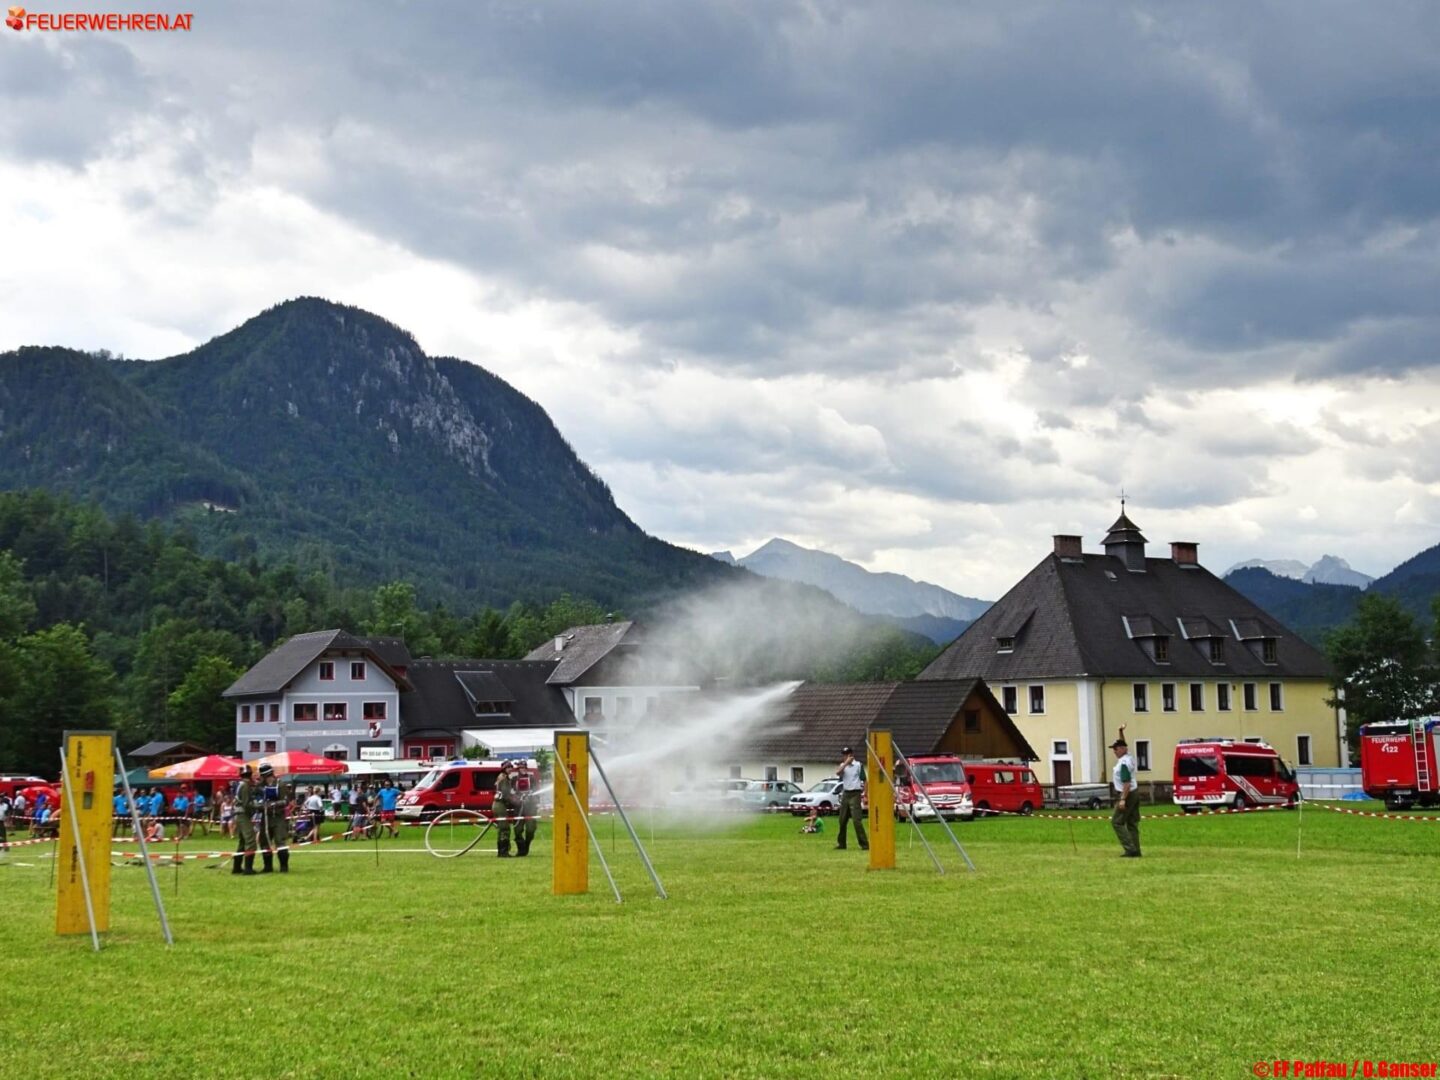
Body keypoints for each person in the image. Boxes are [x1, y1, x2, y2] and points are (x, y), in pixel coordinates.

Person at [1111, 730, 1141, 858]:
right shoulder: (1129, 757)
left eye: (1116, 749)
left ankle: (1130, 849)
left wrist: (1123, 799)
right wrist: (1121, 732)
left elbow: (1126, 783)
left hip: (1127, 794)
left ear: (1122, 749)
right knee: (1132, 823)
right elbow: (1124, 743)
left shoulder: (1123, 764)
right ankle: (1136, 850)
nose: (1114, 751)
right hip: (1135, 792)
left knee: (1116, 822)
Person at [256, 763, 290, 873]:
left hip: (278, 817)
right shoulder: (260, 786)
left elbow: (285, 801)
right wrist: (259, 805)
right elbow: (256, 798)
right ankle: (268, 867)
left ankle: (284, 867)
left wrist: (272, 804)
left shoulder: (280, 784)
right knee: (264, 841)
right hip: (265, 817)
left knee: (280, 841)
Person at [834, 746, 868, 851]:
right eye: (843, 755)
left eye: (846, 754)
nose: (844, 756)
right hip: (846, 793)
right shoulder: (843, 765)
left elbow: (865, 780)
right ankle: (841, 844)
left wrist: (865, 795)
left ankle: (864, 844)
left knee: (857, 821)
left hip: (855, 793)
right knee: (842, 820)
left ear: (851, 755)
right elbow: (838, 773)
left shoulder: (858, 765)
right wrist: (845, 764)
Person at [232, 765, 259, 876]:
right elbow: (247, 804)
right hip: (243, 815)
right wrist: (258, 806)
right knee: (251, 841)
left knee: (243, 841)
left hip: (240, 815)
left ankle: (237, 867)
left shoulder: (241, 784)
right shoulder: (245, 786)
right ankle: (248, 868)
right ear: (250, 774)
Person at [493, 761, 522, 858]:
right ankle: (503, 852)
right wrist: (517, 801)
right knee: (504, 828)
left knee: (502, 828)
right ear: (504, 769)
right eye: (508, 767)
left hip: (499, 805)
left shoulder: (503, 777)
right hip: (500, 805)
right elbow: (506, 795)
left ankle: (502, 851)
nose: (510, 769)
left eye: (511, 767)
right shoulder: (504, 778)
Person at [512, 764, 537, 857]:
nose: (523, 769)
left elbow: (535, 789)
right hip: (518, 808)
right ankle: (521, 850)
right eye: (521, 768)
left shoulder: (532, 778)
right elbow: (511, 792)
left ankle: (526, 846)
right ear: (518, 769)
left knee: (531, 829)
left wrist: (531, 795)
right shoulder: (514, 779)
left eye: (524, 768)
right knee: (517, 830)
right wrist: (517, 798)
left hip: (530, 807)